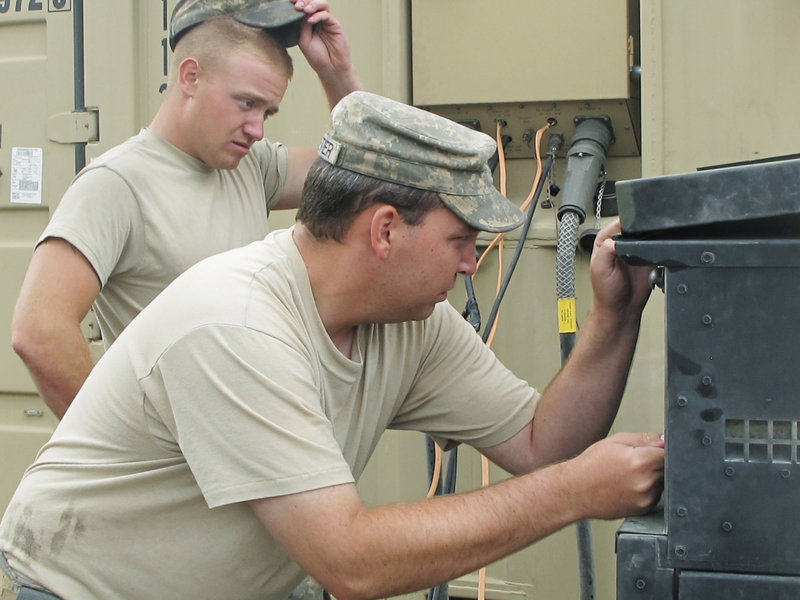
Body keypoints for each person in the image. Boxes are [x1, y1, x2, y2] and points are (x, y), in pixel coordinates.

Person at [0, 91, 664, 600]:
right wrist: (571, 494)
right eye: (462, 240)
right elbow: (350, 561)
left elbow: (544, 444)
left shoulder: (411, 320)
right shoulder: (236, 323)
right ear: (384, 231)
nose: (471, 264)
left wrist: (616, 316)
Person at [10, 0, 361, 419]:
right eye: (246, 103)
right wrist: (121, 444)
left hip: (246, 447)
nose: (257, 128)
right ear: (190, 77)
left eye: (267, 111)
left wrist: (336, 74)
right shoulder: (117, 184)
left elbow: (364, 172)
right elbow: (40, 330)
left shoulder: (252, 166)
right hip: (172, 469)